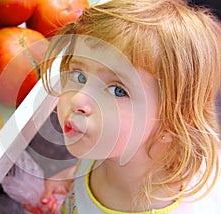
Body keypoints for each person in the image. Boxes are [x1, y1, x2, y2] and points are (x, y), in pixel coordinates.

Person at [24, 0, 221, 213]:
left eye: (117, 90)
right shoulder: (115, 149)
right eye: (79, 75)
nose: (77, 100)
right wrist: (71, 177)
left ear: (170, 124)